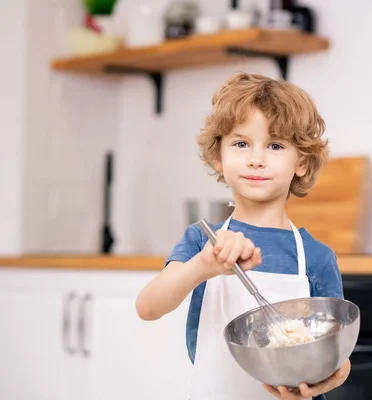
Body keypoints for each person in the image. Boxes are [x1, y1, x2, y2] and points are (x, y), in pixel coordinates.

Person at [135, 72, 351, 400]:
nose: (256, 158)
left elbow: (338, 354)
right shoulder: (202, 240)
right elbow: (148, 307)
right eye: (241, 143)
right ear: (218, 157)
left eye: (275, 145)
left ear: (302, 163)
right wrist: (204, 265)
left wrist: (328, 379)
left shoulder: (316, 258)